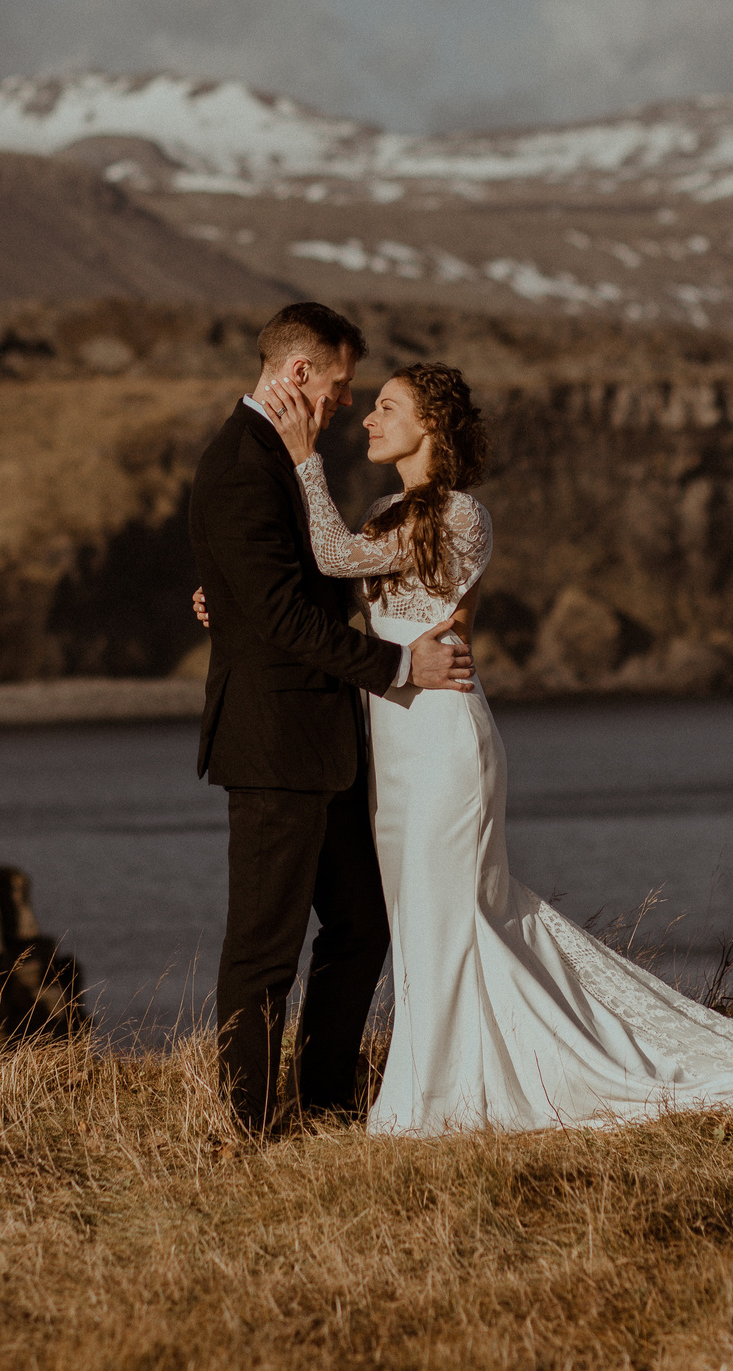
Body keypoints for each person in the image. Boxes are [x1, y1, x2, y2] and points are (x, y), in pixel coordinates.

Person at [256, 358, 733, 1134]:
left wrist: (303, 459)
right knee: (423, 912)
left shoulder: (461, 515)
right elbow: (339, 586)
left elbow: (335, 556)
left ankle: (441, 1093)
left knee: (448, 908)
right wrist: (239, 603)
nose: (368, 418)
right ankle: (444, 1076)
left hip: (442, 740)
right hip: (394, 742)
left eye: (386, 406)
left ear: (429, 425)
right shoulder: (387, 508)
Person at [187, 302, 476, 1138]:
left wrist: (226, 604)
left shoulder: (279, 456)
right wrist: (397, 666)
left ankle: (325, 1101)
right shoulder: (243, 462)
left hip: (325, 742)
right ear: (301, 374)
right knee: (264, 949)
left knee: (361, 921)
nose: (349, 403)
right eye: (344, 385)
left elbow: (285, 583)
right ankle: (246, 1125)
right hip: (275, 742)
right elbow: (282, 615)